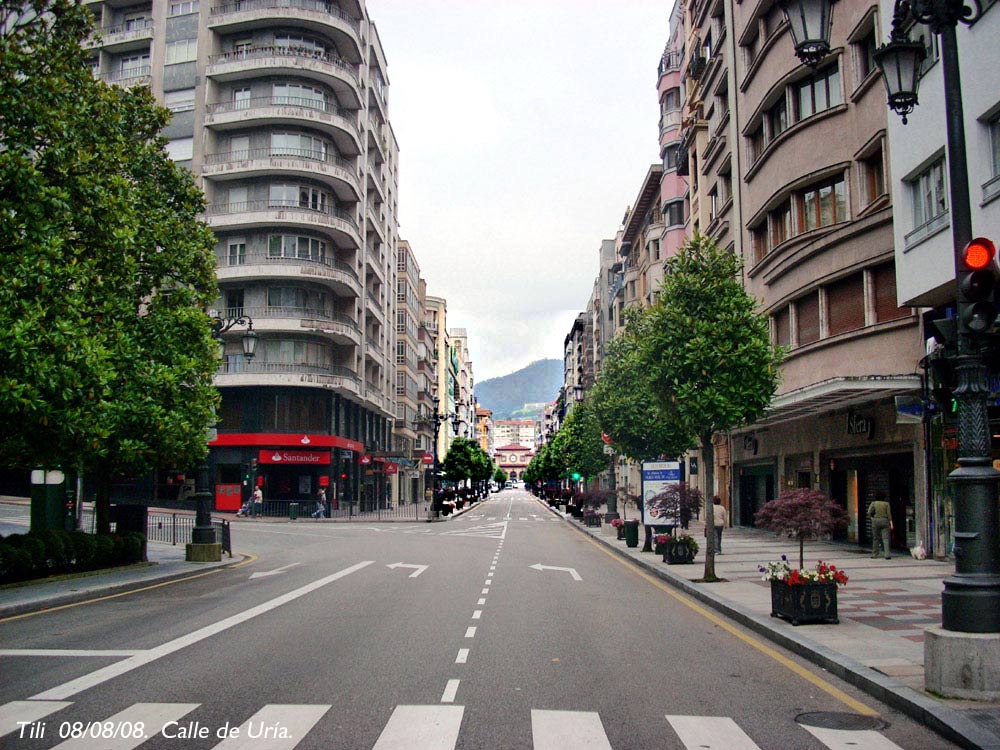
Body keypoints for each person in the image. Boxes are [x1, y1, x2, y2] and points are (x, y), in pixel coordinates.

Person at [868, 491, 893, 559]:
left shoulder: (873, 503)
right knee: (886, 539)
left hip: (876, 521)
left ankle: (875, 554)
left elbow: (869, 512)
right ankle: (887, 555)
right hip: (885, 520)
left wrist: (872, 518)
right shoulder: (886, 504)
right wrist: (891, 523)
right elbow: (889, 514)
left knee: (875, 538)